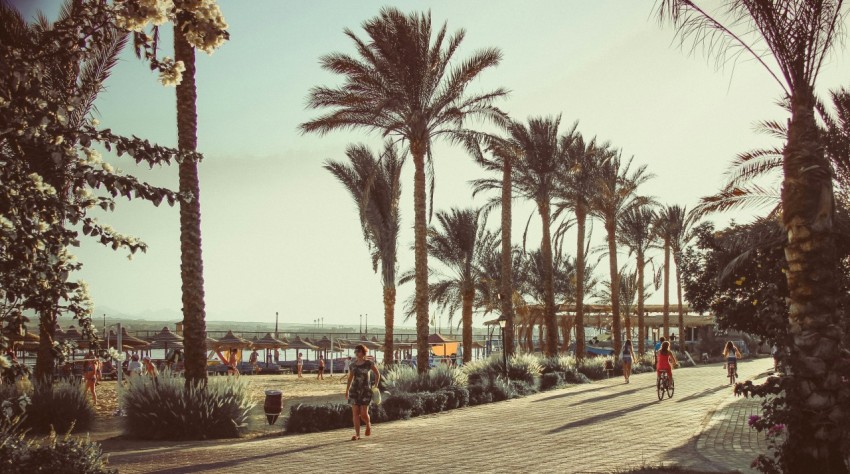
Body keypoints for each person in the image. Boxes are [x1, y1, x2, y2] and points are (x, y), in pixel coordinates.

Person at [345, 344, 381, 441]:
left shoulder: (369, 363)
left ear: (363, 352)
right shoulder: (352, 365)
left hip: (366, 390)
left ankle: (368, 424)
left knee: (363, 413)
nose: (357, 353)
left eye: (359, 351)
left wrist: (375, 385)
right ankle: (357, 434)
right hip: (354, 390)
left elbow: (377, 374)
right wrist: (347, 390)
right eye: (355, 351)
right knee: (355, 413)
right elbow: (350, 378)